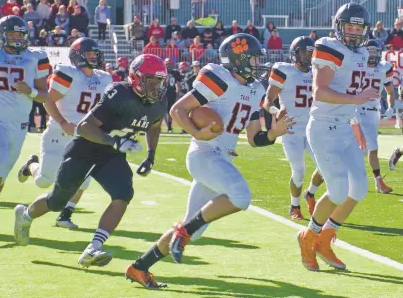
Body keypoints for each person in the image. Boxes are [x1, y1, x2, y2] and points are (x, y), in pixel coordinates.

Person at [125, 33, 294, 288]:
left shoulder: (255, 89)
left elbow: (253, 138)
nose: (258, 64)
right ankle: (184, 232)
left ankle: (139, 267)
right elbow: (177, 110)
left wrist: (274, 132)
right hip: (204, 154)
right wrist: (196, 132)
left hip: (221, 158)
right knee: (241, 196)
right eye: (253, 58)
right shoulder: (219, 79)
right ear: (238, 59)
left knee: (195, 225)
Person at [13, 54, 168, 269]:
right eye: (151, 80)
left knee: (123, 194)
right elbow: (84, 127)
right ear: (135, 77)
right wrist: (114, 142)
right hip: (85, 148)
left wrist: (151, 155)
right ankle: (25, 215)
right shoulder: (120, 93)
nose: (156, 86)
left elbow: (154, 126)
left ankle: (93, 248)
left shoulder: (159, 101)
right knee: (57, 201)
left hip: (112, 155)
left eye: (159, 81)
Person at [297, 3, 378, 271]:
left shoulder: (362, 53)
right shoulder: (328, 47)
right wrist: (356, 100)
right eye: (349, 27)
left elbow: (347, 89)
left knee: (360, 189)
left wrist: (355, 123)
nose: (354, 33)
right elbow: (320, 91)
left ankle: (325, 239)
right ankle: (308, 237)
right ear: (339, 27)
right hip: (322, 127)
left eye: (359, 28)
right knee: (339, 191)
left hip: (343, 126)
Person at [17, 37, 113, 229]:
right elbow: (47, 100)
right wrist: (62, 122)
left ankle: (65, 214)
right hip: (58, 133)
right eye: (89, 53)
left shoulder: (104, 77)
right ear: (77, 55)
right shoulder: (67, 73)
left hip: (83, 137)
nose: (93, 57)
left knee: (83, 180)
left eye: (95, 53)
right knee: (44, 182)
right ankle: (31, 165)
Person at [0, 15, 50, 233]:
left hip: (20, 124)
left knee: (1, 172)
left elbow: (44, 95)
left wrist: (30, 91)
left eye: (20, 34)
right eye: (12, 34)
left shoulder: (36, 58)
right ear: (1, 35)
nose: (16, 39)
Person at [263, 36, 324, 220]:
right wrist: (276, 110)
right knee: (299, 172)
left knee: (326, 167)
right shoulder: (284, 70)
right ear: (294, 53)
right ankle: (294, 206)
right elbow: (267, 101)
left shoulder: (318, 72)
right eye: (304, 52)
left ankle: (310, 193)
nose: (308, 55)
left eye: (310, 52)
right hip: (292, 130)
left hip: (314, 129)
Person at [352, 39, 394, 193]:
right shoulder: (357, 65)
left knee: (370, 148)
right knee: (363, 148)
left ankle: (375, 181)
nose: (371, 54)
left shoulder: (384, 68)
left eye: (374, 51)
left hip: (373, 111)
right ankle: (372, 181)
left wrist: (390, 106)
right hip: (355, 108)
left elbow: (389, 92)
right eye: (369, 51)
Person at [163, 58, 182, 133]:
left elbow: (178, 84)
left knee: (169, 111)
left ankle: (169, 127)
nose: (169, 66)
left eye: (170, 64)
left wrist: (178, 91)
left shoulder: (174, 73)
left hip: (170, 93)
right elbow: (178, 85)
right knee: (166, 111)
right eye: (168, 64)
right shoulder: (174, 72)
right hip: (165, 94)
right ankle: (169, 127)